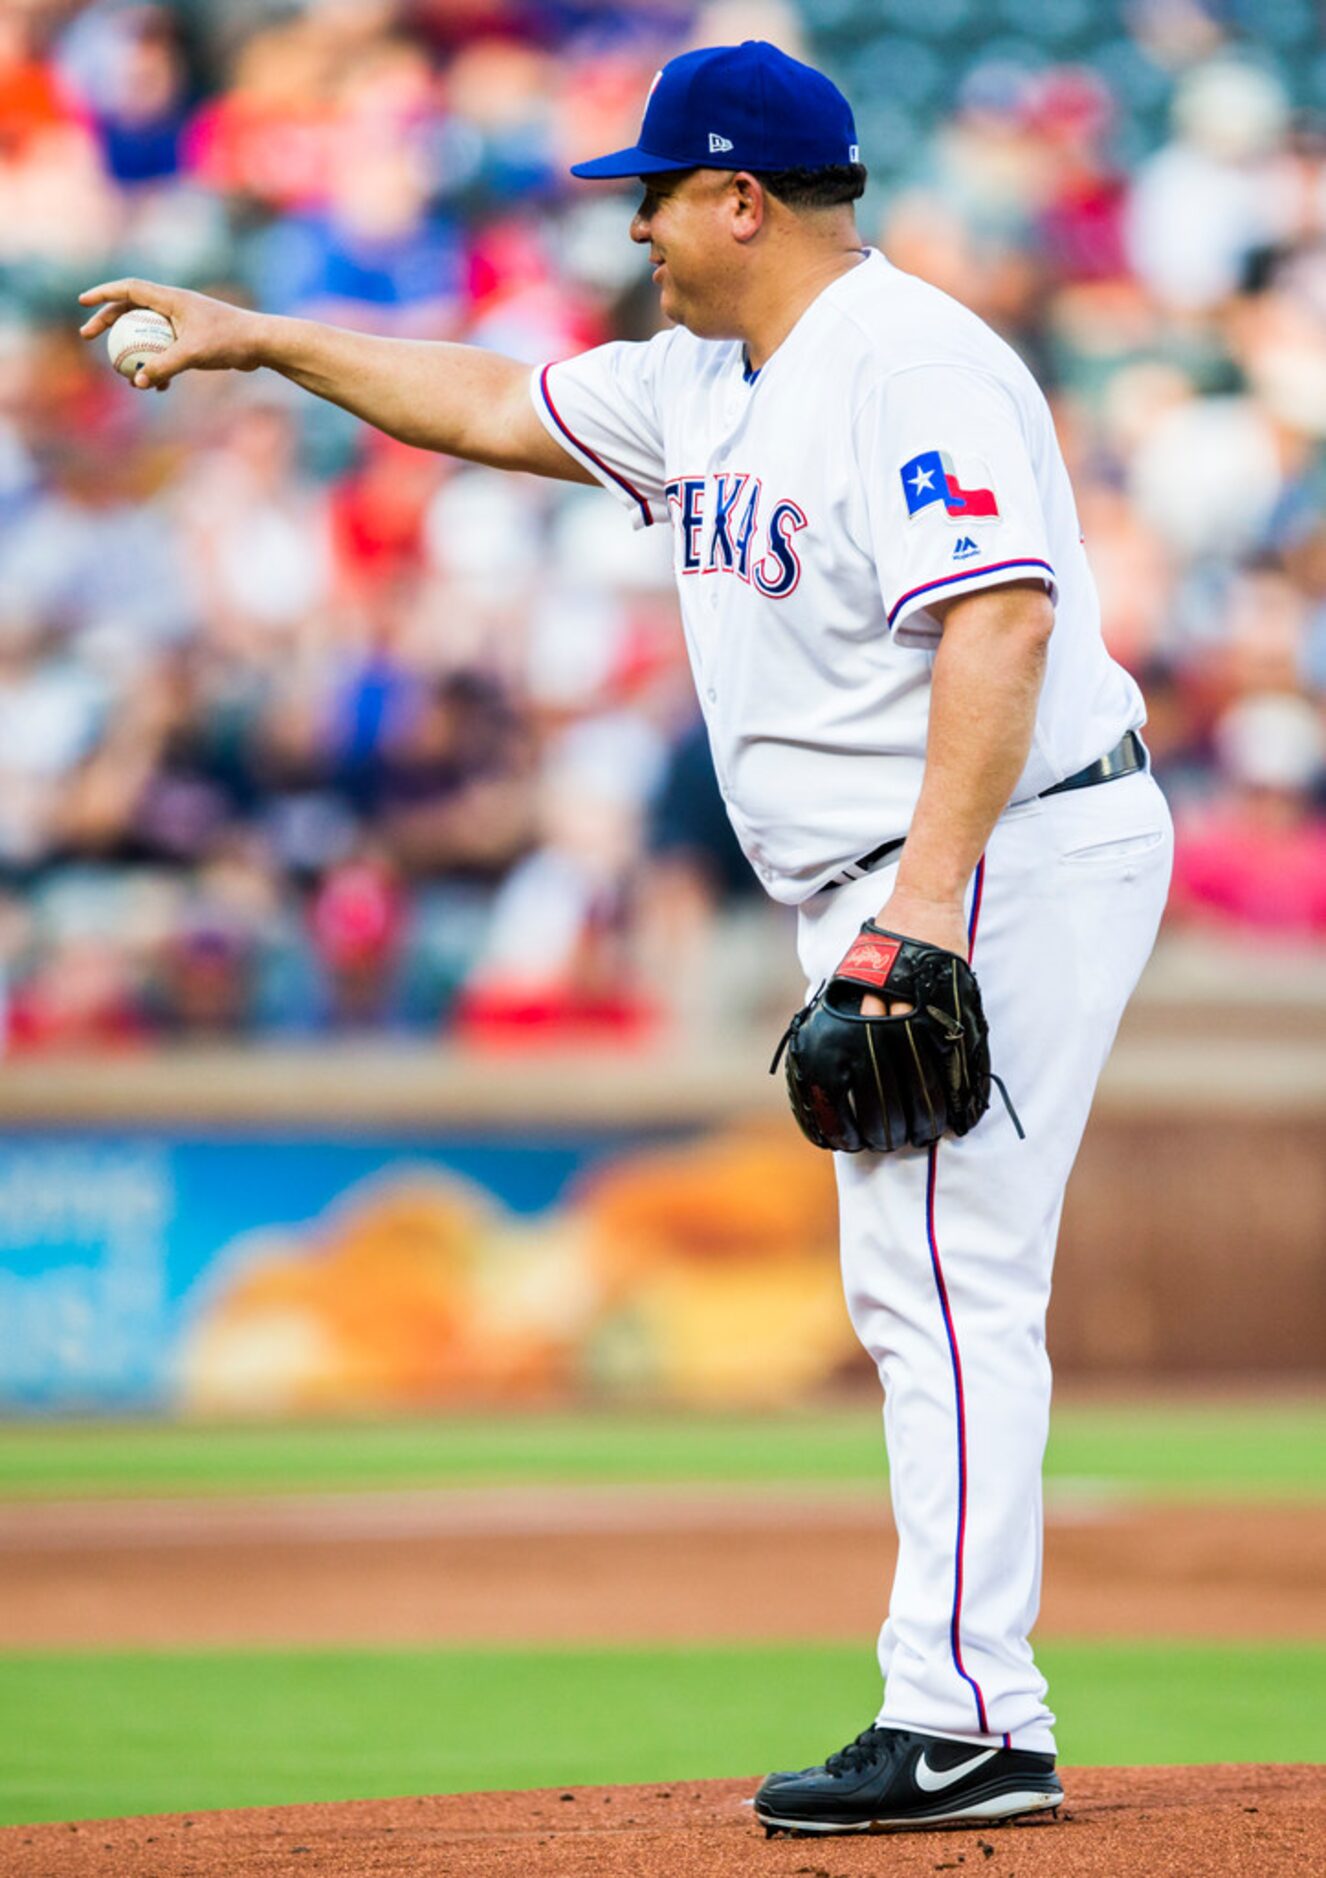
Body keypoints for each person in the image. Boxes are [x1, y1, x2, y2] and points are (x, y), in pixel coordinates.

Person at [78, 39, 1173, 1839]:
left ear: (743, 197)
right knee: (918, 1275)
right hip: (921, 859)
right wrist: (266, 336)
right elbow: (496, 402)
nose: (637, 225)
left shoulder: (902, 365)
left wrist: (918, 914)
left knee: (942, 1275)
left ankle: (972, 1715)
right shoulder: (711, 380)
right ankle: (964, 1700)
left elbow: (995, 624)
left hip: (993, 844)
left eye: (655, 194)